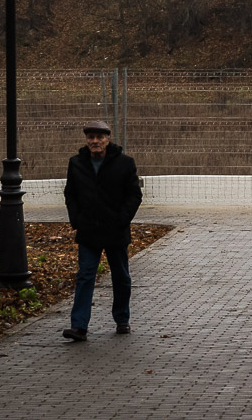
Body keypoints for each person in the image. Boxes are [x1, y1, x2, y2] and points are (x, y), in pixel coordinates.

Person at [62, 119, 142, 341]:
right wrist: (76, 220)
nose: (95, 141)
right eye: (91, 137)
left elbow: (134, 195)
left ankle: (122, 318)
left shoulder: (125, 163)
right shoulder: (76, 163)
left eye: (100, 137)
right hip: (88, 230)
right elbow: (70, 194)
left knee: (121, 276)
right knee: (85, 275)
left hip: (115, 230)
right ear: (86, 140)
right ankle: (79, 326)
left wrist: (122, 220)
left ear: (108, 139)